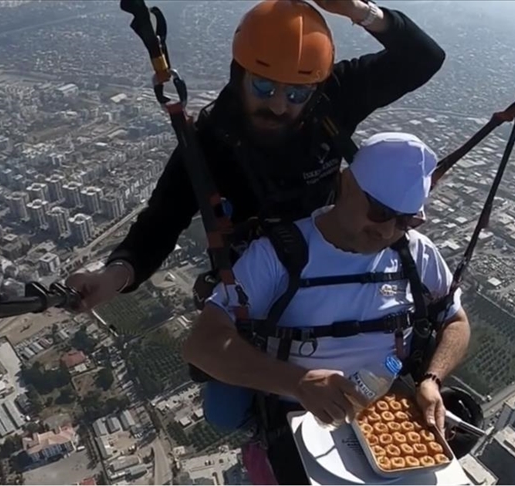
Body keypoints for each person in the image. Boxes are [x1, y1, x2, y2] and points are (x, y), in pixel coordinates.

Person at [67, 0, 446, 310]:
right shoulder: (210, 141)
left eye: (297, 94)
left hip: (337, 248)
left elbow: (423, 59)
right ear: (239, 74)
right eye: (263, 86)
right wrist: (114, 274)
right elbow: (162, 220)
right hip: (260, 275)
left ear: (315, 88)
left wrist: (360, 11)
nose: (279, 105)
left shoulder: (334, 97)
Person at [181, 132, 471, 484]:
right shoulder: (280, 255)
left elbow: (455, 321)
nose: (388, 231)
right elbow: (202, 344)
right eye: (380, 212)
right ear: (345, 184)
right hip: (296, 414)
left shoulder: (416, 254)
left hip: (387, 409)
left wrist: (431, 379)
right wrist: (298, 382)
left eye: (406, 221)